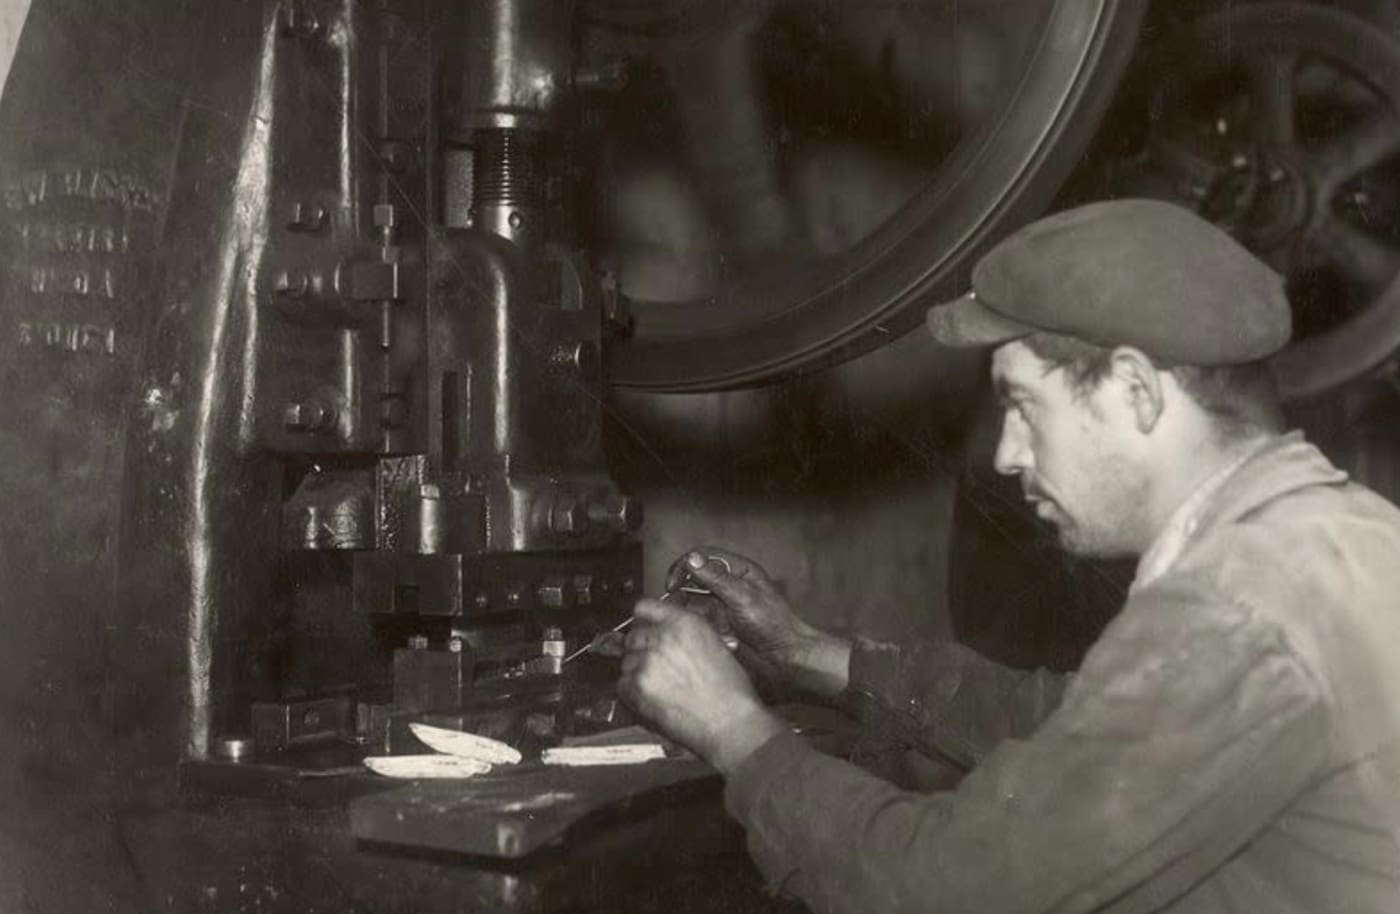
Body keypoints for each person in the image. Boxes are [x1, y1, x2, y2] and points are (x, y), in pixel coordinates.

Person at [617, 199, 1400, 913]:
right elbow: (1076, 729)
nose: (1006, 455)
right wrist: (810, 656)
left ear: (1136, 391)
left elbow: (951, 890)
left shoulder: (1234, 607)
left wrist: (733, 732)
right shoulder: (1334, 536)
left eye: (1025, 405)